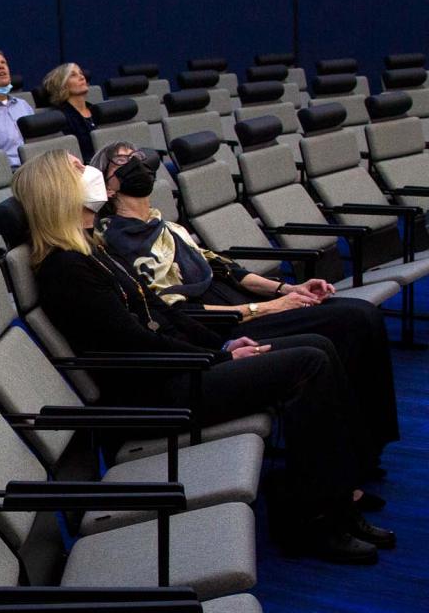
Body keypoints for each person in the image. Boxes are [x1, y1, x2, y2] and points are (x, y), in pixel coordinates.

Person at [11, 149, 393, 563]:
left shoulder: (91, 247)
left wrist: (223, 347)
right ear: (58, 191)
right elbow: (135, 342)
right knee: (310, 363)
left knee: (319, 346)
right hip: (155, 393)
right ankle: (312, 519)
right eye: (76, 168)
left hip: (179, 368)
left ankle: (335, 496)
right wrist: (218, 361)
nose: (88, 171)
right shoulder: (65, 268)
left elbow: (160, 313)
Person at [89, 140, 399, 454]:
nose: (136, 165)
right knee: (352, 320)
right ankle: (355, 454)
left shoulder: (164, 223)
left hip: (244, 302)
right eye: (124, 162)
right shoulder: (115, 237)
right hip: (222, 322)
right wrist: (269, 307)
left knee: (364, 314)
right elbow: (174, 310)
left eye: (137, 158)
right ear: (108, 187)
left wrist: (286, 290)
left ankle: (369, 445)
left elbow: (226, 269)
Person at [44, 63, 96, 159]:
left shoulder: (97, 110)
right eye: (73, 75)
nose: (81, 77)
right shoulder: (61, 118)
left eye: (81, 73)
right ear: (61, 84)